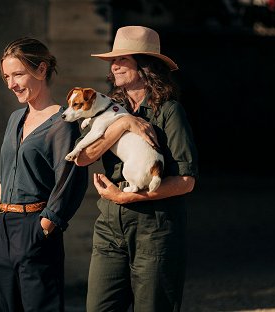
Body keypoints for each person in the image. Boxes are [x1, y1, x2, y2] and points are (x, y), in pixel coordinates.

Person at [74, 26, 199, 312]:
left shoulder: (169, 111)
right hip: (109, 225)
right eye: (113, 61)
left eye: (123, 60)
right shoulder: (107, 108)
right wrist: (123, 124)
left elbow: (185, 181)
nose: (114, 66)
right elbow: (82, 157)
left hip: (154, 227)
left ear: (146, 66)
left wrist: (127, 197)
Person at [0, 37, 88, 312]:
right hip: (3, 231)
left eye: (18, 74)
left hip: (35, 228)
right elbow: (4, 176)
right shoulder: (14, 119)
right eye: (7, 76)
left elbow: (69, 182)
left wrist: (43, 228)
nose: (11, 83)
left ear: (41, 70)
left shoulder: (63, 124)